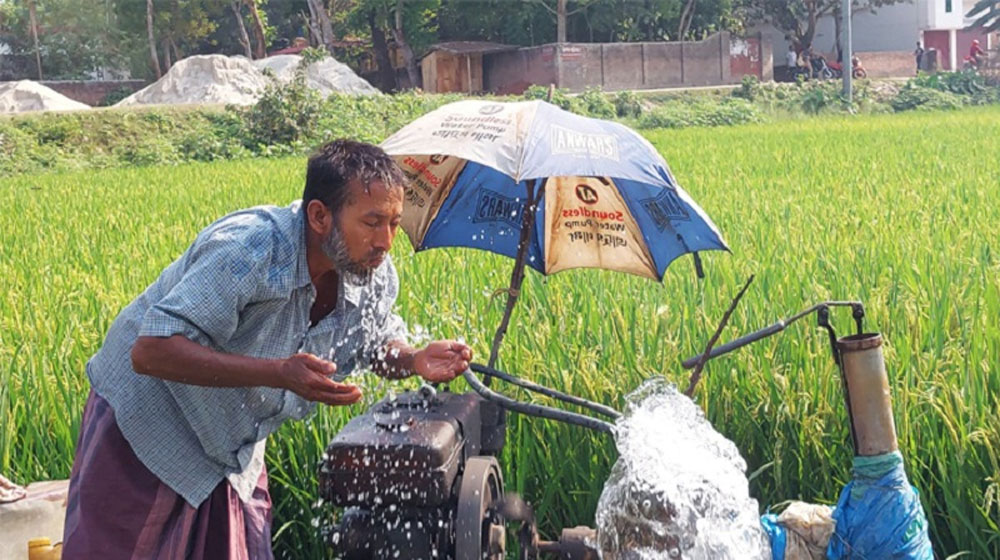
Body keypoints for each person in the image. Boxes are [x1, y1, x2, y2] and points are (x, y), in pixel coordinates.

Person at [61, 139, 473, 559]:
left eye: (393, 222)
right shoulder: (250, 250)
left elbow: (375, 344)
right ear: (319, 216)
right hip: (150, 424)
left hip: (230, 444)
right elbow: (151, 351)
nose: (386, 241)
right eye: (371, 222)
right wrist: (277, 373)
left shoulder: (371, 272)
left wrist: (415, 359)